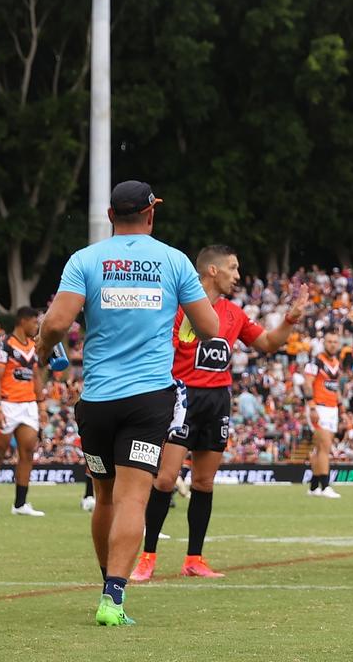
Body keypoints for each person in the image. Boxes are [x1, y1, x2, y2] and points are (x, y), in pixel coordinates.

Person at [34, 179, 219, 626]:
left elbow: (57, 322)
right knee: (133, 499)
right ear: (151, 214)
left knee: (104, 498)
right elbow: (210, 327)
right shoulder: (174, 260)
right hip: (147, 399)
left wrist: (43, 351)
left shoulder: (85, 259)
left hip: (97, 398)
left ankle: (105, 582)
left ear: (111, 215)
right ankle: (113, 599)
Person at [131, 245, 309, 582]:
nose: (238, 276)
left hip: (217, 401)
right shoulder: (180, 309)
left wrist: (290, 318)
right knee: (166, 478)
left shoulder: (234, 313)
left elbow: (268, 344)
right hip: (182, 398)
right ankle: (147, 556)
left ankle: (194, 559)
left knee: (203, 482)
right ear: (213, 271)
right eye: (233, 268)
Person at [0, 306, 48, 518]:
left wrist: (41, 405)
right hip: (7, 404)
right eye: (34, 322)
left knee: (28, 453)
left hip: (28, 405)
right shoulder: (2, 346)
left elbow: (36, 377)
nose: (36, 326)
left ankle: (20, 503)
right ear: (23, 321)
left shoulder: (34, 346)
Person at [303, 331, 351, 498]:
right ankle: (325, 486)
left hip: (332, 409)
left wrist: (342, 411)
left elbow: (335, 388)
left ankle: (314, 486)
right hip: (318, 407)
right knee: (324, 447)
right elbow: (307, 384)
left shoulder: (337, 363)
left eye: (335, 342)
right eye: (329, 341)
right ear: (324, 343)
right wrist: (312, 406)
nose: (332, 344)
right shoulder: (315, 362)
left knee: (320, 449)